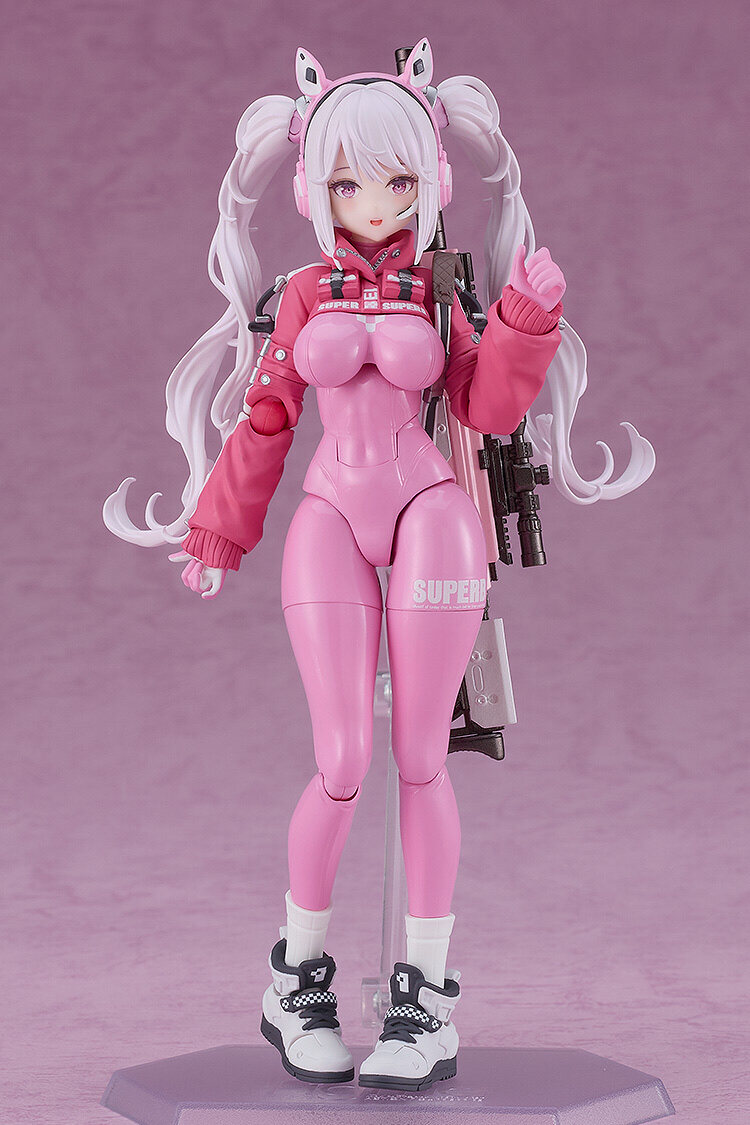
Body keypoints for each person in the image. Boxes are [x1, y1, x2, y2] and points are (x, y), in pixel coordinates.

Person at [104, 39, 655, 1091]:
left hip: (430, 513)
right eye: (348, 183)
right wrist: (219, 532)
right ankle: (296, 981)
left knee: (422, 756)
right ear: (315, 188)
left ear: (431, 179)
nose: (372, 203)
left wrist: (525, 321)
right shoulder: (306, 293)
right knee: (343, 757)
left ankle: (424, 998)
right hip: (330, 516)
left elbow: (485, 407)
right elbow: (269, 415)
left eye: (396, 181)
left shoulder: (441, 290)